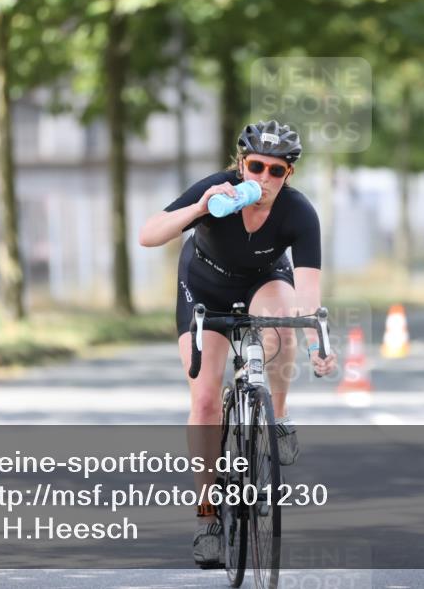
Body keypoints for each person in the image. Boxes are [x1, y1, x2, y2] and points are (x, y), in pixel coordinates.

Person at [138, 119, 339, 566]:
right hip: (204, 287)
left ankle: (278, 415)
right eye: (256, 166)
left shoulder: (299, 212)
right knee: (206, 399)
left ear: (289, 175)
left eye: (276, 171)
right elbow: (149, 234)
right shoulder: (218, 190)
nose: (264, 179)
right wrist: (199, 209)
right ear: (241, 164)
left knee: (284, 320)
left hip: (263, 283)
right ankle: (208, 515)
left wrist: (317, 345)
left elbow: (308, 293)